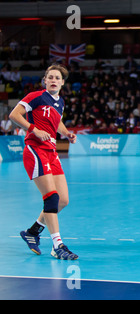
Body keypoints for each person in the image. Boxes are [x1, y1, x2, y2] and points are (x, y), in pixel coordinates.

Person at [9, 63, 78, 260]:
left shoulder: (60, 102)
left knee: (63, 200)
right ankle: (58, 246)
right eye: (50, 77)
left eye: (57, 78)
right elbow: (14, 115)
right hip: (35, 149)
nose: (54, 80)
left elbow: (57, 123)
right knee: (51, 198)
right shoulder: (36, 97)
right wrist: (33, 129)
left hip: (52, 152)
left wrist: (66, 133)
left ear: (62, 82)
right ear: (45, 81)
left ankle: (32, 232)